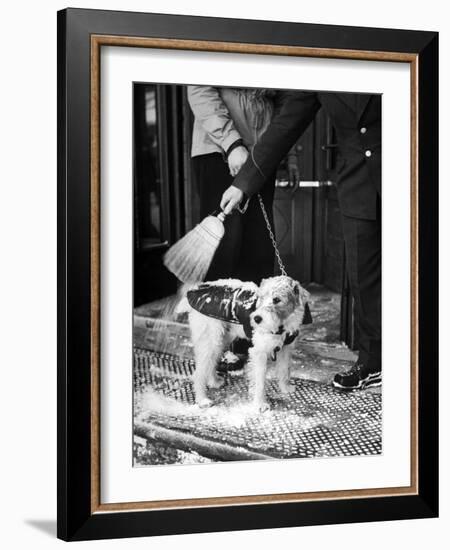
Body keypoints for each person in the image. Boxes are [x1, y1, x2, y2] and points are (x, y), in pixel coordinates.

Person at [220, 90, 382, 391]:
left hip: (412, 175)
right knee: (365, 277)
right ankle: (374, 362)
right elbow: (284, 127)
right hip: (359, 186)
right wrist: (243, 184)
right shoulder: (320, 68)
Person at [188, 86, 299, 284]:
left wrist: (289, 155)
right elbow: (200, 90)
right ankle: (216, 312)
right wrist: (231, 144)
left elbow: (286, 103)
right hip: (219, 150)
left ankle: (251, 311)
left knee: (259, 246)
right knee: (225, 246)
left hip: (262, 154)